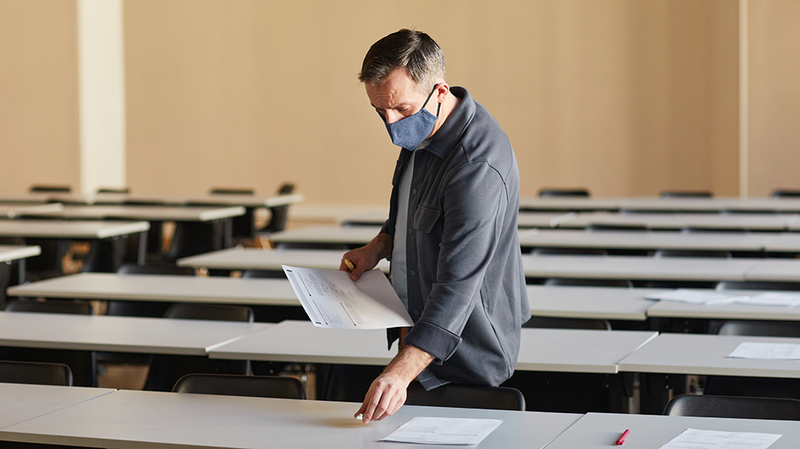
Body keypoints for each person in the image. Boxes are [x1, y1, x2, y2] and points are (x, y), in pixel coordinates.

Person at [341, 29, 529, 423]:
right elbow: (409, 214)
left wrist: (401, 371)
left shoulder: (477, 164)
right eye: (380, 113)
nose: (392, 126)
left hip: (466, 357)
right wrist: (377, 247)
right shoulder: (422, 132)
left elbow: (459, 284)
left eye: (402, 111)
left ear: (440, 91)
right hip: (417, 343)